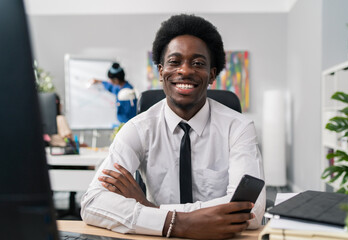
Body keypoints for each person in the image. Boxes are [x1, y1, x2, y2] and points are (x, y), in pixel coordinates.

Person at [81, 14, 265, 239]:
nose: (185, 71)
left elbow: (251, 210)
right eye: (174, 62)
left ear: (212, 75)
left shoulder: (239, 127)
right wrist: (178, 224)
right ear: (161, 72)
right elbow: (92, 202)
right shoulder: (138, 129)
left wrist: (153, 211)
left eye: (198, 63)